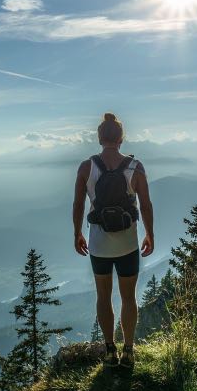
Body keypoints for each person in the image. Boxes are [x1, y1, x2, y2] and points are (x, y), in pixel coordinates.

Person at [72, 112, 154, 369]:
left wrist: (77, 233)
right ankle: (128, 351)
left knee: (103, 296)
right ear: (121, 138)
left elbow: (77, 204)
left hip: (99, 244)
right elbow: (146, 204)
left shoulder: (87, 167)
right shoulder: (135, 167)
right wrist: (150, 234)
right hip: (128, 243)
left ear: (99, 137)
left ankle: (109, 351)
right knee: (128, 298)